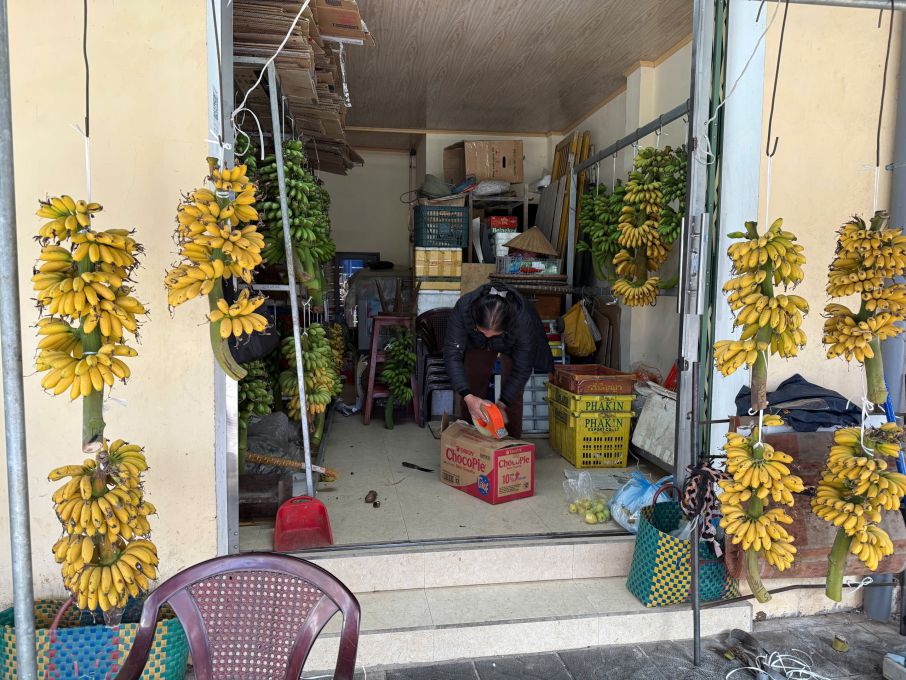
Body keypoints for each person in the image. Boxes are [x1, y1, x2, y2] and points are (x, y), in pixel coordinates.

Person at [444, 283, 554, 438]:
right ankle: (469, 440)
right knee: (472, 382)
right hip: (475, 343)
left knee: (513, 396)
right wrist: (468, 396)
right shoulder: (464, 308)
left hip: (511, 344)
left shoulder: (523, 321)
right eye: (484, 332)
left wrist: (503, 403)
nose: (488, 337)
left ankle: (512, 446)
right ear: (475, 319)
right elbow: (451, 355)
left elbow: (522, 367)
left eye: (494, 334)